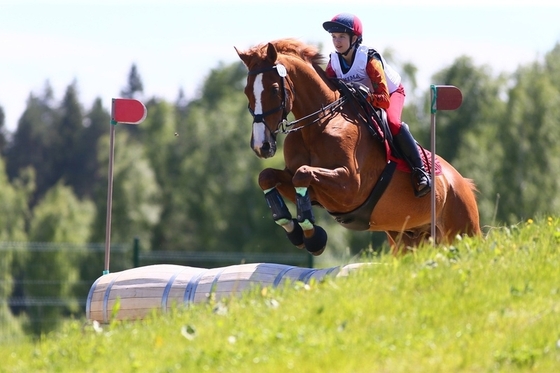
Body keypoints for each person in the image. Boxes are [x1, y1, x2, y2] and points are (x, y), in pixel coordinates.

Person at [323, 13, 431, 198]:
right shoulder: (333, 63)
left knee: (393, 123)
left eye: (341, 36)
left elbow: (383, 99)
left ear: (354, 38)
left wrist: (364, 96)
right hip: (362, 100)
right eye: (334, 37)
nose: (337, 41)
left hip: (390, 94)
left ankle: (419, 171)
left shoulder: (369, 59)